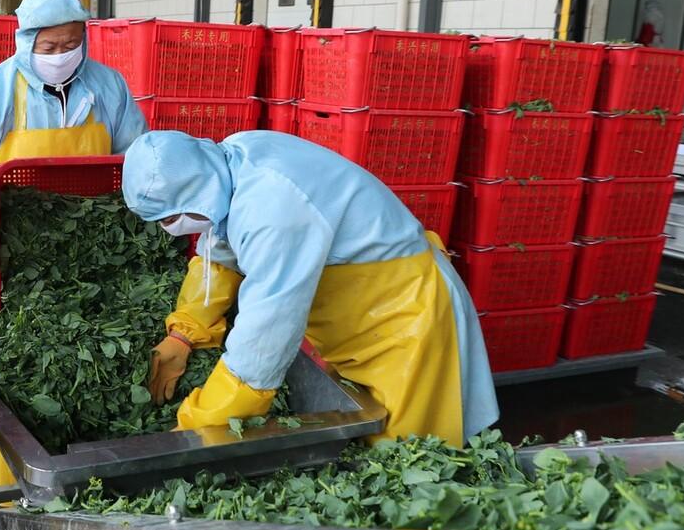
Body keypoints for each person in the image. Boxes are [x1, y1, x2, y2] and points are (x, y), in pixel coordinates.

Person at [123, 130, 499, 446]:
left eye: (172, 217)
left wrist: (197, 428)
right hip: (361, 322)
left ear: (197, 192)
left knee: (407, 458)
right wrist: (185, 333)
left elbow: (264, 340)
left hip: (407, 323)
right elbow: (221, 249)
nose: (170, 227)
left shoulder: (273, 209)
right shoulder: (229, 162)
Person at [0, 0, 146, 490]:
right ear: (25, 43)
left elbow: (137, 163)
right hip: (19, 265)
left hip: (99, 260)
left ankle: (99, 481)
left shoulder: (109, 89)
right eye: (49, 48)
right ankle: (4, 490)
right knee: (18, 371)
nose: (61, 55)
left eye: (71, 43)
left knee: (101, 363)